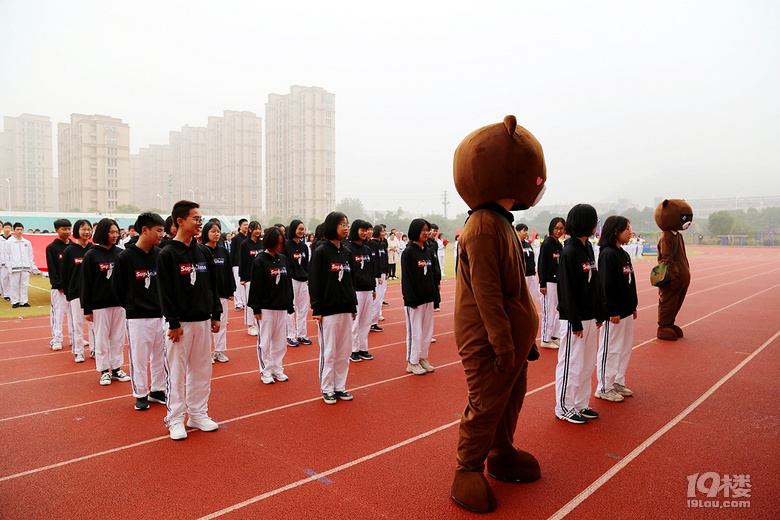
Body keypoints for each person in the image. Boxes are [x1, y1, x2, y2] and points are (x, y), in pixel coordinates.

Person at [450, 115, 546, 513]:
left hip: (510, 341)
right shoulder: (484, 227)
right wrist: (504, 344)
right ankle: (466, 469)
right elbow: (488, 296)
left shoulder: (501, 223)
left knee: (510, 400)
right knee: (486, 402)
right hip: (490, 341)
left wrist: (523, 341)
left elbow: (513, 292)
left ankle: (501, 452)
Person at [156, 200, 222, 440]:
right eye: (195, 218)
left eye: (200, 218)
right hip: (180, 325)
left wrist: (215, 314)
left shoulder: (203, 251)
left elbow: (212, 285)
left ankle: (198, 413)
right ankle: (175, 419)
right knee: (176, 371)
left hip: (203, 320)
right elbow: (165, 291)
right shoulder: (167, 254)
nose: (199, 222)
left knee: (202, 370)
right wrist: (172, 322)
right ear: (179, 221)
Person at [112, 213, 167, 410]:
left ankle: (158, 390)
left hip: (160, 314)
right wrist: (130, 305)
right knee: (139, 356)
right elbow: (117, 287)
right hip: (137, 316)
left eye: (163, 230)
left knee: (161, 355)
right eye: (158, 230)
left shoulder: (160, 254)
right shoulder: (125, 257)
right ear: (145, 230)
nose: (162, 234)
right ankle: (141, 393)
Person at [554, 204, 603, 424]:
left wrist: (599, 312)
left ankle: (581, 403)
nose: (596, 225)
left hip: (590, 316)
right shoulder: (570, 251)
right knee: (571, 363)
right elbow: (566, 289)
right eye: (594, 221)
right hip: (574, 319)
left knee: (586, 363)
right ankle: (564, 406)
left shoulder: (588, 248)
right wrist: (575, 321)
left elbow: (595, 283)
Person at [308, 211, 357, 404]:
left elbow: (350, 282)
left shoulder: (347, 252)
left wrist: (353, 305)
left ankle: (340, 386)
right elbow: (315, 281)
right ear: (332, 226)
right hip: (328, 310)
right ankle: (327, 388)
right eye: (342, 224)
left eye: (347, 224)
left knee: (344, 351)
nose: (346, 228)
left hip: (345, 308)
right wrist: (317, 308)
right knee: (329, 351)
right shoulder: (321, 252)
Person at [81, 218, 129, 386]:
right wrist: (87, 308)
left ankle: (116, 368)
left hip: (119, 304)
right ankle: (103, 370)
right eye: (111, 232)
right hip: (99, 305)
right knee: (101, 338)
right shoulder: (91, 255)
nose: (115, 235)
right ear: (103, 233)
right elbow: (85, 283)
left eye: (117, 232)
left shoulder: (120, 253)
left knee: (117, 338)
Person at [595, 216, 638, 403]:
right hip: (614, 313)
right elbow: (606, 286)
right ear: (615, 231)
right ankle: (604, 386)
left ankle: (617, 380)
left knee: (624, 348)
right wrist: (612, 310)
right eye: (626, 228)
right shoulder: (608, 254)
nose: (630, 231)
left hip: (626, 310)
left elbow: (630, 283)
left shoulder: (623, 254)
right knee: (610, 348)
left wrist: (633, 305)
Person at [248, 226, 295, 384]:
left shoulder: (283, 259)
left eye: (281, 243)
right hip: (266, 309)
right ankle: (266, 370)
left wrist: (290, 303)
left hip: (281, 307)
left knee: (280, 341)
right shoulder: (260, 261)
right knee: (265, 341)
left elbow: (288, 283)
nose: (279, 247)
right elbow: (255, 286)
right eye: (277, 243)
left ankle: (277, 368)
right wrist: (255, 307)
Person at [401, 218, 438, 375]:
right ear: (415, 231)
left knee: (426, 332)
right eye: (423, 230)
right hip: (415, 300)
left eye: (427, 230)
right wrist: (411, 299)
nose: (426, 233)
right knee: (415, 331)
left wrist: (435, 295)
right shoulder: (409, 252)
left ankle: (422, 357)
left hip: (428, 298)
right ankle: (412, 361)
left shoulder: (427, 250)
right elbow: (407, 278)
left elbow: (431, 275)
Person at [202, 220, 235, 363]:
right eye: (213, 231)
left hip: (221, 292)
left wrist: (231, 290)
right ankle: (206, 352)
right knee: (206, 325)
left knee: (221, 322)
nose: (216, 234)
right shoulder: (201, 250)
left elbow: (228, 271)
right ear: (206, 233)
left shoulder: (223, 251)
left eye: (218, 231)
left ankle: (219, 351)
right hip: (207, 294)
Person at [61, 220, 95, 362]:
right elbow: (65, 273)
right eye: (83, 229)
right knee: (78, 323)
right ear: (77, 231)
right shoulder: (70, 250)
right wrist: (68, 293)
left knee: (94, 324)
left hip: (93, 293)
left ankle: (94, 350)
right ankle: (79, 351)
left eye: (89, 229)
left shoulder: (93, 249)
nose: (87, 232)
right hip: (76, 292)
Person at [344, 220, 376, 362]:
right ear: (355, 230)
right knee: (355, 323)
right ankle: (353, 350)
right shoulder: (348, 249)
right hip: (355, 290)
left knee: (366, 321)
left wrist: (373, 287)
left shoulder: (367, 249)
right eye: (362, 230)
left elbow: (371, 270)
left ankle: (363, 348)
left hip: (368, 289)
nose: (365, 233)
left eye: (366, 230)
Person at [538, 217, 566, 349]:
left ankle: (554, 335)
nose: (559, 231)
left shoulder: (559, 245)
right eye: (556, 228)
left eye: (561, 228)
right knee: (548, 311)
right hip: (548, 282)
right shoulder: (547, 243)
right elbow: (542, 264)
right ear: (551, 228)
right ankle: (545, 339)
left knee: (560, 309)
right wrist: (542, 283)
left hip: (557, 282)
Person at [284, 219, 312, 346]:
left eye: (303, 229)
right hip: (291, 280)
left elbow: (306, 264)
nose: (302, 231)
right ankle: (290, 335)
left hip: (303, 280)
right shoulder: (286, 246)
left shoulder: (304, 246)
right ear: (293, 229)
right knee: (291, 309)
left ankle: (302, 334)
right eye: (299, 229)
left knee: (303, 309)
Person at [46, 219, 72, 350]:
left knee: (74, 315)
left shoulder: (73, 246)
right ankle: (57, 339)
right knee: (58, 314)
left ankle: (75, 338)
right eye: (64, 229)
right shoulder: (52, 248)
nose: (67, 231)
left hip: (73, 289)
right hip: (59, 289)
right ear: (57, 230)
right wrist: (58, 284)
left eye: (69, 228)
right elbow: (52, 269)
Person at [2, 223, 35, 308]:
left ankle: (24, 301)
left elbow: (30, 255)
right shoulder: (9, 242)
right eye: (17, 229)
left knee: (24, 285)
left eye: (21, 229)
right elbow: (7, 256)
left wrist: (31, 266)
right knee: (14, 285)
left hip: (25, 267)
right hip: (14, 267)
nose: (19, 231)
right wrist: (9, 267)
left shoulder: (27, 242)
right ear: (14, 230)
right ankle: (15, 301)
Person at [239, 221, 263, 335]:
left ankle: (259, 324)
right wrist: (242, 278)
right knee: (249, 302)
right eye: (255, 229)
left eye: (259, 229)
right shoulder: (245, 244)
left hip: (261, 277)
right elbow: (242, 261)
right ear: (250, 230)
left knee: (261, 302)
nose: (258, 231)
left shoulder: (262, 244)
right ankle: (250, 325)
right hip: (249, 277)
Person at [515, 223, 539, 312]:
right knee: (522, 301)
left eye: (527, 231)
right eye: (524, 231)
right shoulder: (515, 244)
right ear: (517, 232)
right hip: (522, 276)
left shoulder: (528, 244)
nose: (526, 233)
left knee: (532, 300)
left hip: (531, 275)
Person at [370, 224, 389, 331]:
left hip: (382, 273)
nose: (384, 233)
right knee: (375, 298)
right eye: (382, 231)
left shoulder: (382, 243)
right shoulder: (372, 244)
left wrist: (386, 272)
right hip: (376, 274)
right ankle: (372, 321)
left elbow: (384, 258)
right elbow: (374, 261)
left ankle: (375, 319)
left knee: (380, 297)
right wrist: (377, 274)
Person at [230, 219, 249, 311]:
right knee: (238, 285)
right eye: (244, 225)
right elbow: (232, 252)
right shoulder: (236, 239)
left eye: (247, 224)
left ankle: (246, 303)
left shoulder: (248, 238)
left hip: (246, 264)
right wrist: (231, 265)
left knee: (246, 284)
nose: (246, 226)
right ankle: (238, 303)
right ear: (240, 226)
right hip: (237, 264)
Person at [0, 222, 13, 301]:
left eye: (9, 228)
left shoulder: (13, 239)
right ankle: (6, 294)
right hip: (2, 262)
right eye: (6, 228)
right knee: (4, 278)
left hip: (12, 262)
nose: (7, 230)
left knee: (12, 279)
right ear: (3, 228)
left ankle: (11, 293)